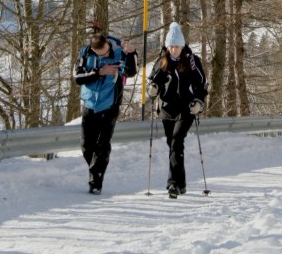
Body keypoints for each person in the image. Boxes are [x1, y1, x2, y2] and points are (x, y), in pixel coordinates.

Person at [147, 21, 208, 199]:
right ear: (167, 46)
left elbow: (202, 84)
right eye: (171, 46)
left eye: (177, 46)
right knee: (173, 146)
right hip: (166, 109)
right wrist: (152, 90)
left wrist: (199, 101)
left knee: (176, 142)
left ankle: (172, 184)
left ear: (182, 46)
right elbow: (153, 83)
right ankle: (181, 184)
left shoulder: (191, 61)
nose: (174, 50)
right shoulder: (161, 62)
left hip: (186, 109)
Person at [74, 32, 138, 194]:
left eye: (103, 52)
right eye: (98, 53)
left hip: (110, 104)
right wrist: (98, 72)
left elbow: (131, 72)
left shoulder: (119, 52)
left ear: (107, 45)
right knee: (86, 145)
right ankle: (96, 171)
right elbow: (78, 77)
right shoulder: (85, 53)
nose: (101, 55)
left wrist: (131, 53)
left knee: (102, 144)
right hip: (89, 104)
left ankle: (96, 182)